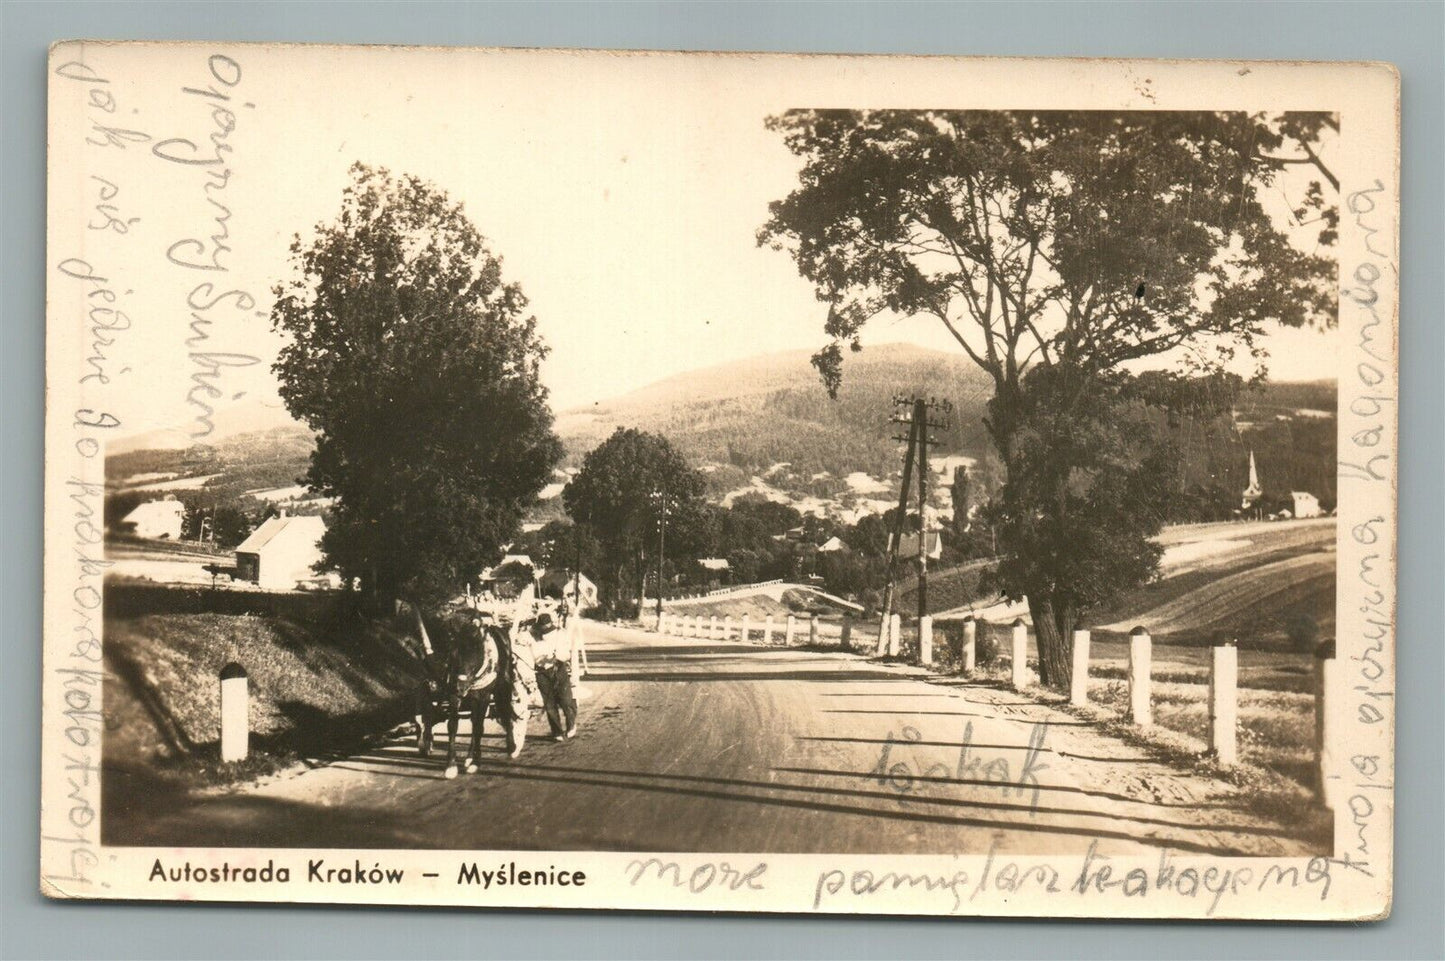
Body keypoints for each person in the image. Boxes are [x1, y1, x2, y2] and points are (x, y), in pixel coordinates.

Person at [529, 613, 578, 740]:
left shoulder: (559, 635)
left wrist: (557, 657)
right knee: (549, 704)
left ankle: (571, 725)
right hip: (541, 672)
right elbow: (530, 654)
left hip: (558, 669)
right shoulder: (532, 637)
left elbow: (566, 654)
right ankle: (557, 732)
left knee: (566, 700)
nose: (545, 634)